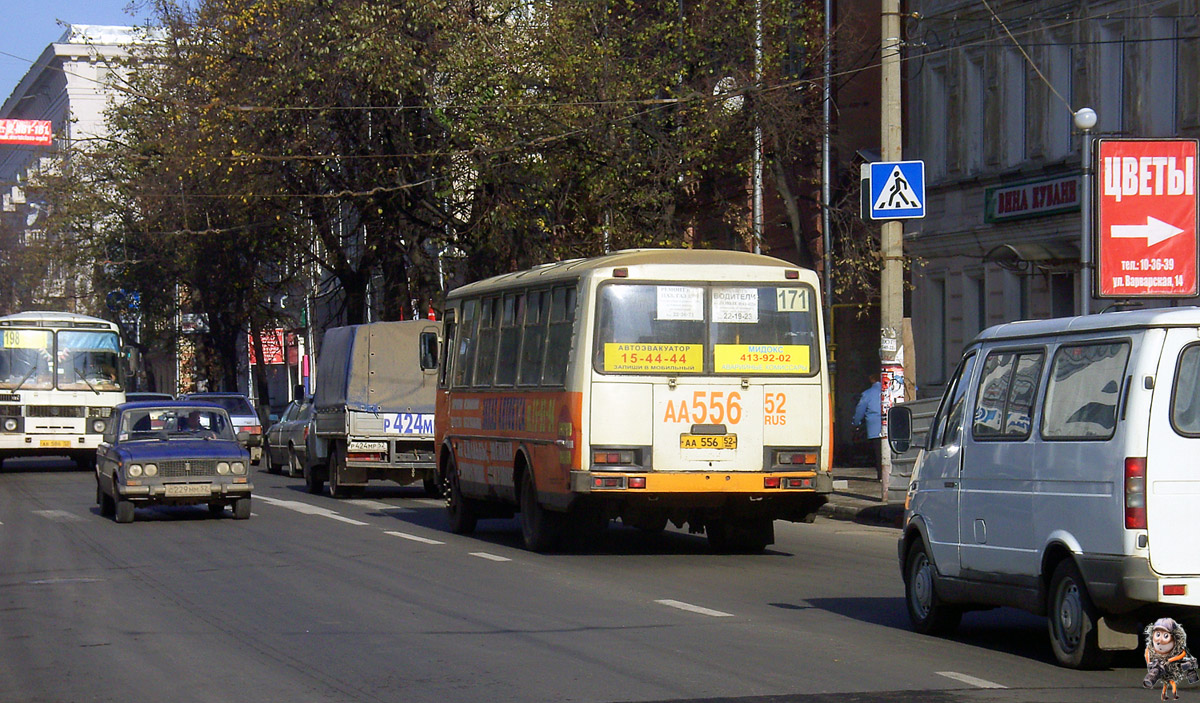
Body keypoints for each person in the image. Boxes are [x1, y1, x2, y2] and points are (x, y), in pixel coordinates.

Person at [852, 374, 883, 480]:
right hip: (892, 427)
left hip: (875, 428)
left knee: (878, 453)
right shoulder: (891, 390)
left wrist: (856, 423)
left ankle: (881, 475)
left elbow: (860, 410)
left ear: (871, 379)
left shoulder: (867, 394)